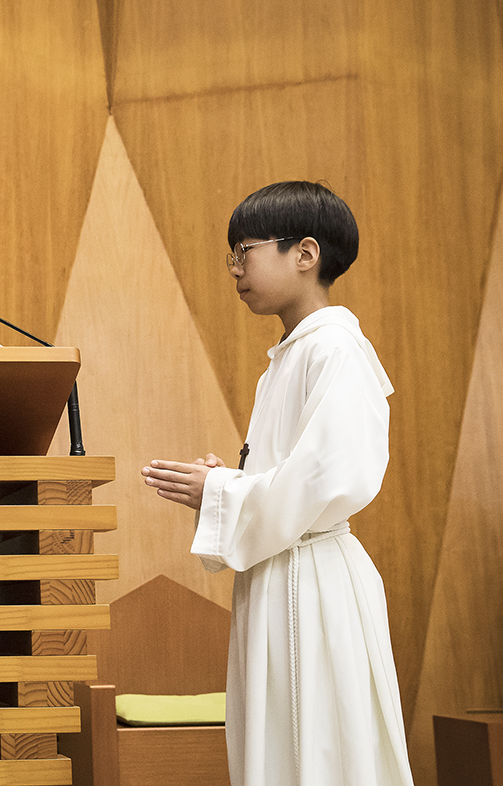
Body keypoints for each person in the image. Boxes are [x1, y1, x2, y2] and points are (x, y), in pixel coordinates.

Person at [141, 181, 413, 785]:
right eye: (232, 255)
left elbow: (329, 478)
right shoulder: (289, 356)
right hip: (279, 574)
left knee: (321, 754)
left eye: (246, 251)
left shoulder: (335, 348)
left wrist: (221, 493)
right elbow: (291, 475)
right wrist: (228, 483)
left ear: (305, 253)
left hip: (313, 581)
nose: (236, 269)